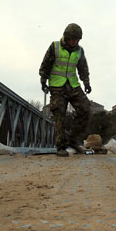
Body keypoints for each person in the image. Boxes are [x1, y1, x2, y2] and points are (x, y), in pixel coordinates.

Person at [39, 23, 92, 157]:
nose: (74, 42)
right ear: (66, 37)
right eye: (72, 39)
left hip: (73, 85)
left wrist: (86, 83)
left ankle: (73, 140)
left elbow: (83, 68)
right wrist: (43, 80)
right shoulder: (54, 46)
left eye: (77, 40)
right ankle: (61, 146)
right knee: (59, 114)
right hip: (57, 86)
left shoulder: (80, 51)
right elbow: (46, 64)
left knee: (86, 109)